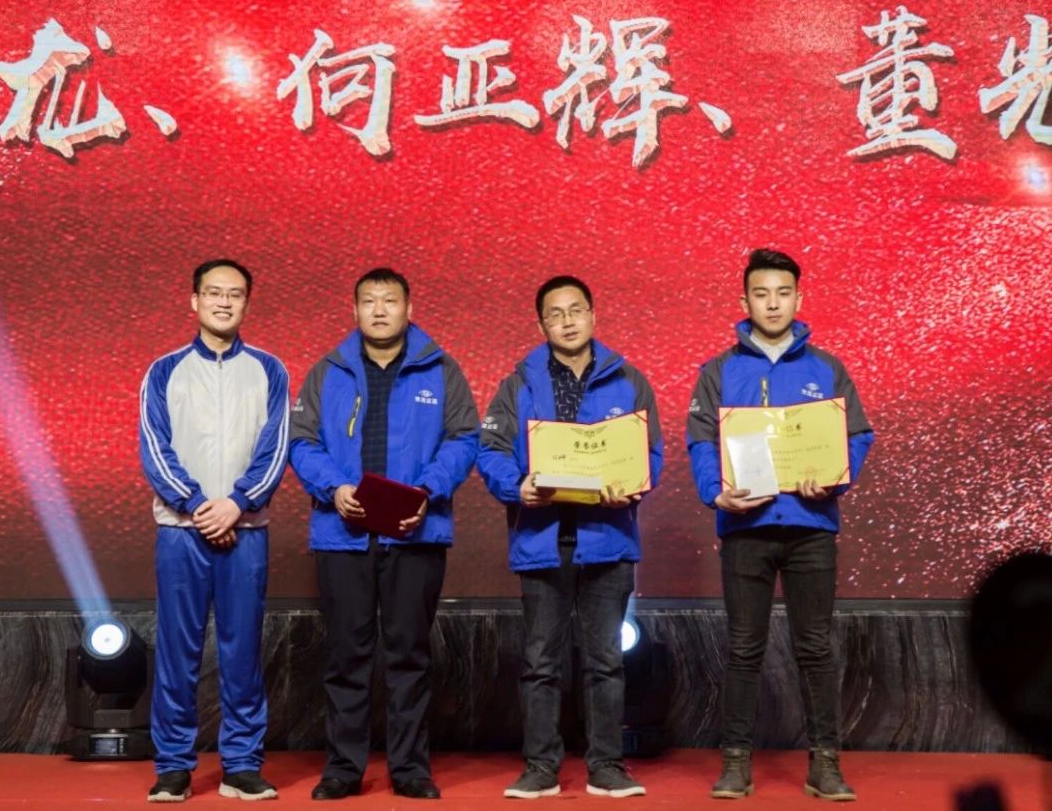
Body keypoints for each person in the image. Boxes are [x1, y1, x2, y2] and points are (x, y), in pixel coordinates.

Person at [686, 248, 874, 802]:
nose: (773, 304)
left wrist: (835, 479)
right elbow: (701, 441)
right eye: (762, 294)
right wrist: (715, 494)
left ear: (799, 298)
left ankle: (826, 765)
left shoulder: (827, 368)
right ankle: (735, 763)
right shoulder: (719, 371)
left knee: (815, 647)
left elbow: (858, 435)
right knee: (744, 647)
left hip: (811, 527)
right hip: (745, 527)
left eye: (783, 293)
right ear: (744, 301)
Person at [288, 268, 479, 801]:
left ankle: (410, 769)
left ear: (408, 309)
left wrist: (427, 490)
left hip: (415, 532)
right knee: (345, 656)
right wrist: (333, 488)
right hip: (342, 533)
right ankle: (342, 770)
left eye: (389, 300)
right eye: (368, 301)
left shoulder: (441, 369)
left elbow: (464, 439)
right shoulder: (328, 371)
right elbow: (301, 442)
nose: (378, 310)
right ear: (353, 311)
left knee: (409, 655)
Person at [477, 275, 663, 800]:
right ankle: (541, 767)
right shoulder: (518, 383)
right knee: (541, 663)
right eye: (555, 314)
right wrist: (517, 486)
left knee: (606, 661)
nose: (567, 321)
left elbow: (650, 454)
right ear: (542, 324)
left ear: (593, 315)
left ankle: (607, 766)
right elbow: (489, 450)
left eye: (576, 310)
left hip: (608, 539)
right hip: (542, 539)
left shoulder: (629, 380)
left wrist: (634, 483)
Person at [139, 259, 290, 803]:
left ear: (247, 303)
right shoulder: (164, 371)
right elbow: (155, 448)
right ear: (194, 301)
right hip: (181, 533)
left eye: (235, 294)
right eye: (214, 293)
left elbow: (275, 448)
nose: (224, 302)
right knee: (177, 653)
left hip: (246, 532)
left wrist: (237, 505)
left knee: (242, 653)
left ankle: (241, 766)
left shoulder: (270, 370)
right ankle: (173, 767)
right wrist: (201, 506)